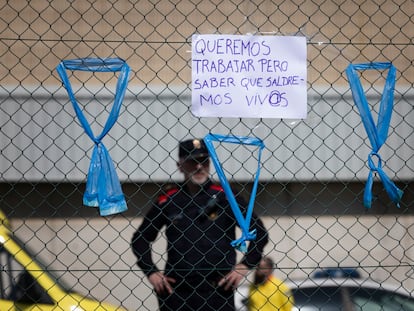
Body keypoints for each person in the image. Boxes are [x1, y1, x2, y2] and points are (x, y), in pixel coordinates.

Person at [131, 138, 269, 311]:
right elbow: (140, 239)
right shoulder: (169, 199)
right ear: (180, 165)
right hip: (177, 293)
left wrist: (245, 265)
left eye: (203, 161)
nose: (199, 167)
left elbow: (259, 233)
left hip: (218, 291)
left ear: (210, 164)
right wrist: (151, 272)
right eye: (192, 161)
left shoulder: (226, 197)